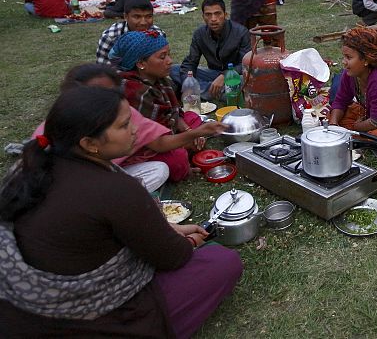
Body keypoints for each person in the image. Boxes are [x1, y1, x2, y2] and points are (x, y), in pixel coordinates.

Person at [0, 86, 242, 336]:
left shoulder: (28, 167)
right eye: (124, 125)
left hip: (18, 308)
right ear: (90, 143)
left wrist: (167, 228)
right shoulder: (116, 189)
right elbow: (173, 257)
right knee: (222, 262)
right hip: (85, 318)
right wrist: (190, 240)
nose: (135, 129)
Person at [33, 63, 226, 187]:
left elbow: (157, 143)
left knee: (161, 168)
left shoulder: (122, 111)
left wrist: (195, 132)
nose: (133, 129)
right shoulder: (62, 131)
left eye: (113, 93)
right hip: (82, 186)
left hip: (107, 173)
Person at [111, 30, 205, 146]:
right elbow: (153, 139)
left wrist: (188, 131)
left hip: (167, 129)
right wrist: (188, 139)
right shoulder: (133, 91)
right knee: (178, 157)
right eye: (162, 57)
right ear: (141, 64)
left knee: (192, 117)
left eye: (169, 55)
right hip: (148, 142)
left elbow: (174, 113)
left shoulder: (159, 79)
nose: (170, 61)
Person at [171, 0, 251, 101]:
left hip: (235, 76)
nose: (213, 19)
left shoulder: (241, 32)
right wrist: (189, 84)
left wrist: (225, 76)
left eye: (217, 14)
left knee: (244, 80)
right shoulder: (199, 34)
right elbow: (190, 63)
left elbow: (246, 64)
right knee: (174, 70)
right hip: (212, 74)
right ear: (203, 17)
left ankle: (205, 92)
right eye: (208, 15)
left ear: (225, 15)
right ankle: (215, 92)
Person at [329, 26, 377, 139]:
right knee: (333, 116)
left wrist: (356, 127)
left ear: (367, 59)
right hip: (367, 114)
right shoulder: (350, 74)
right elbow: (340, 101)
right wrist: (333, 125)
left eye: (348, 57)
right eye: (344, 57)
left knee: (376, 136)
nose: (344, 62)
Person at [97, 0, 165, 64]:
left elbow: (162, 64)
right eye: (137, 17)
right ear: (126, 17)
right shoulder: (111, 36)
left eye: (148, 16)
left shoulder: (157, 34)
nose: (143, 23)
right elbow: (103, 68)